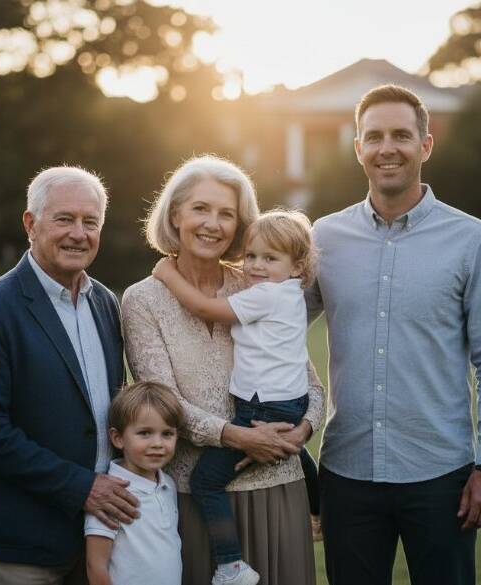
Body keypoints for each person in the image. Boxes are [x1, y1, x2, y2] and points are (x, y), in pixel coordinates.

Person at [306, 84, 481, 585]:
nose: (387, 148)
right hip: (347, 475)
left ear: (425, 144)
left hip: (442, 476)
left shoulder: (471, 240)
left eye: (401, 135)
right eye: (374, 136)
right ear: (358, 147)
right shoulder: (324, 238)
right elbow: (273, 322)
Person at [121, 155, 324, 585]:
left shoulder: (258, 281)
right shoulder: (143, 300)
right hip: (196, 498)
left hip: (278, 488)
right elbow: (164, 402)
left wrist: (301, 431)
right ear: (175, 214)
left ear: (239, 225)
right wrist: (239, 436)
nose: (213, 223)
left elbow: (309, 383)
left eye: (226, 214)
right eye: (200, 208)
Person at [0, 166, 139, 585]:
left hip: (98, 538)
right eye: (64, 219)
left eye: (90, 222)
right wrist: (81, 487)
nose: (79, 233)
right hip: (22, 540)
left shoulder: (105, 302)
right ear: (30, 224)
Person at [85, 381, 184, 585]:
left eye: (167, 434)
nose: (157, 443)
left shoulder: (169, 485)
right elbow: (95, 566)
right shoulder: (111, 493)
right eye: (144, 433)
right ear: (118, 438)